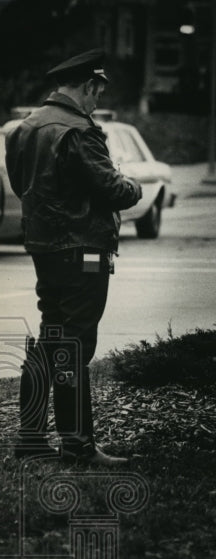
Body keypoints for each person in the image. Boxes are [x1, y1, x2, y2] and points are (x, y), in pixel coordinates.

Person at [5, 49, 142, 465]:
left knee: (50, 341)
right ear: (86, 86)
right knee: (74, 348)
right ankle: (79, 446)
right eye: (96, 93)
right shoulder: (79, 131)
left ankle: (30, 439)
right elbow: (113, 189)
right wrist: (132, 186)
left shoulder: (23, 128)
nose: (96, 102)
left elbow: (18, 182)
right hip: (82, 248)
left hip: (45, 247)